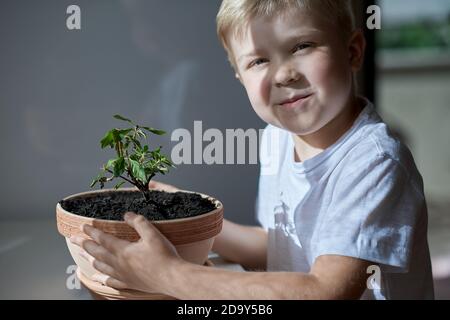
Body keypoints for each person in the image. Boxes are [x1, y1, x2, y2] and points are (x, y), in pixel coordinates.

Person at [70, 0, 434, 299]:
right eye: (259, 61)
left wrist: (170, 275)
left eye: (301, 46)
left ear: (353, 51)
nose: (283, 74)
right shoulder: (277, 136)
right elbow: (275, 246)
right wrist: (183, 213)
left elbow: (327, 289)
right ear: (240, 78)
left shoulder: (373, 161)